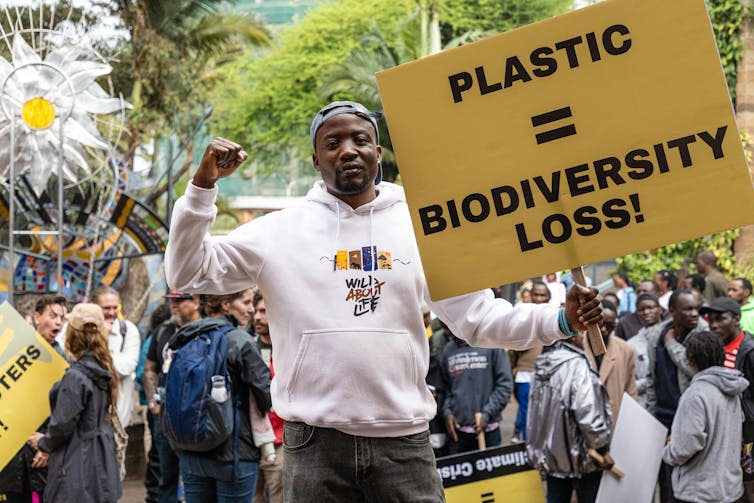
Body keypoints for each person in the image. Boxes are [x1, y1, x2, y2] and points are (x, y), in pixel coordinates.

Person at [164, 101, 603, 501]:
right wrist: (202, 190)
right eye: (332, 143)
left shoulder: (423, 229)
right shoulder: (276, 232)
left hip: (404, 443)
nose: (348, 150)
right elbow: (187, 271)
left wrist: (559, 320)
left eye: (360, 139)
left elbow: (477, 317)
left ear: (378, 152)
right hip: (313, 443)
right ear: (317, 160)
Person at [174, 290, 271, 503]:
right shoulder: (240, 340)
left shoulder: (185, 336)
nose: (251, 308)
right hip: (234, 452)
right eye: (245, 302)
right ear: (225, 304)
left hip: (191, 451)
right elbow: (266, 394)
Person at [27, 303, 122, 503]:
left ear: (74, 333)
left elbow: (62, 424)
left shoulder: (76, 376)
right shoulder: (104, 368)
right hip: (101, 458)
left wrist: (43, 442)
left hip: (76, 462)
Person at [527, 333, 614, 503]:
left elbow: (534, 415)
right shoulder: (577, 365)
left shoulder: (542, 365)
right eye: (581, 334)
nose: (584, 338)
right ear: (572, 338)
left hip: (552, 456)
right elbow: (587, 412)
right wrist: (602, 448)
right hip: (581, 457)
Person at [663, 331, 747, 503]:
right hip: (730, 490)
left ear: (690, 360)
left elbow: (686, 446)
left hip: (699, 493)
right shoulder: (733, 390)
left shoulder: (695, 394)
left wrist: (668, 450)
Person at [0, 295, 68, 503]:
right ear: (37, 318)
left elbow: (64, 413)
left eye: (62, 318)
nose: (58, 322)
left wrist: (48, 446)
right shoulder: (12, 353)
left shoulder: (63, 362)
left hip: (40, 456)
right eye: (53, 315)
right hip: (10, 457)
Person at [646, 289, 707, 503]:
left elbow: (696, 370)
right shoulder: (657, 334)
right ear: (672, 311)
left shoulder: (702, 334)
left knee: (688, 478)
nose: (694, 313)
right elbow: (652, 379)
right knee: (665, 480)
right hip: (662, 417)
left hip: (688, 419)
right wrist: (651, 416)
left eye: (696, 309)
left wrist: (671, 346)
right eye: (688, 309)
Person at [143, 290, 202, 503]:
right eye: (171, 301)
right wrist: (153, 401)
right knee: (166, 474)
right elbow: (150, 369)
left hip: (195, 414)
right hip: (165, 413)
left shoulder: (204, 331)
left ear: (196, 302)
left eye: (179, 301)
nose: (173, 305)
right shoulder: (163, 331)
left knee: (196, 475)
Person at [702, 296, 754, 500]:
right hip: (724, 430)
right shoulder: (716, 349)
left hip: (748, 432)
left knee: (749, 483)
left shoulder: (749, 351)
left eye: (720, 319)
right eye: (710, 320)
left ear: (736, 319)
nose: (713, 325)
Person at [442, 332, 512, 453]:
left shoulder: (492, 344)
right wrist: (447, 412)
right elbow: (446, 389)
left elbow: (505, 385)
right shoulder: (448, 350)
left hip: (488, 434)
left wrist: (487, 413)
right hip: (458, 436)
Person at [90, 287, 141, 428]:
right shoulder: (81, 330)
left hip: (118, 414)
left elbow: (124, 369)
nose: (112, 313)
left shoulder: (128, 330)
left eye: (115, 308)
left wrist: (103, 342)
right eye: (106, 308)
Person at [136, 304, 172, 503]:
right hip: (158, 410)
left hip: (169, 411)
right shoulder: (157, 338)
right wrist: (154, 404)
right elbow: (144, 371)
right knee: (159, 460)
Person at [252, 291, 285, 503]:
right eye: (255, 311)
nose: (256, 317)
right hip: (251, 441)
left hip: (282, 439)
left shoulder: (288, 348)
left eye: (263, 311)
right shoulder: (247, 347)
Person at [583, 301, 637, 425]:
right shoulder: (576, 347)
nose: (604, 330)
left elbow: (631, 391)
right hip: (584, 420)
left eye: (610, 326)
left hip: (613, 420)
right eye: (599, 325)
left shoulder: (626, 350)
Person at [509, 279, 549, 442]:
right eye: (536, 295)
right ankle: (526, 448)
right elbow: (512, 347)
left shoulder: (558, 315)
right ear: (530, 296)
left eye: (542, 295)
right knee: (526, 410)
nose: (539, 298)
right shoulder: (523, 316)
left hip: (548, 374)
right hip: (525, 373)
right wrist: (513, 369)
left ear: (548, 297)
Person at [626, 293, 664, 409]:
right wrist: (651, 381)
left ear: (660, 310)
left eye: (650, 308)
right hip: (645, 405)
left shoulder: (671, 336)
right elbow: (629, 384)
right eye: (641, 310)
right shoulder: (631, 345)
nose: (646, 312)